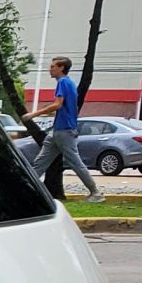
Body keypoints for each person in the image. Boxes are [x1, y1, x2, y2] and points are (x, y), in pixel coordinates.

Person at [40, 57, 104, 202]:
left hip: (64, 130)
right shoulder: (68, 83)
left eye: (52, 66)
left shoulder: (63, 82)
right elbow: (64, 107)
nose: (50, 69)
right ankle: (26, 189)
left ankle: (96, 193)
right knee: (40, 162)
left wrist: (34, 113)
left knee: (75, 162)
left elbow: (57, 104)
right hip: (58, 130)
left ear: (61, 68)